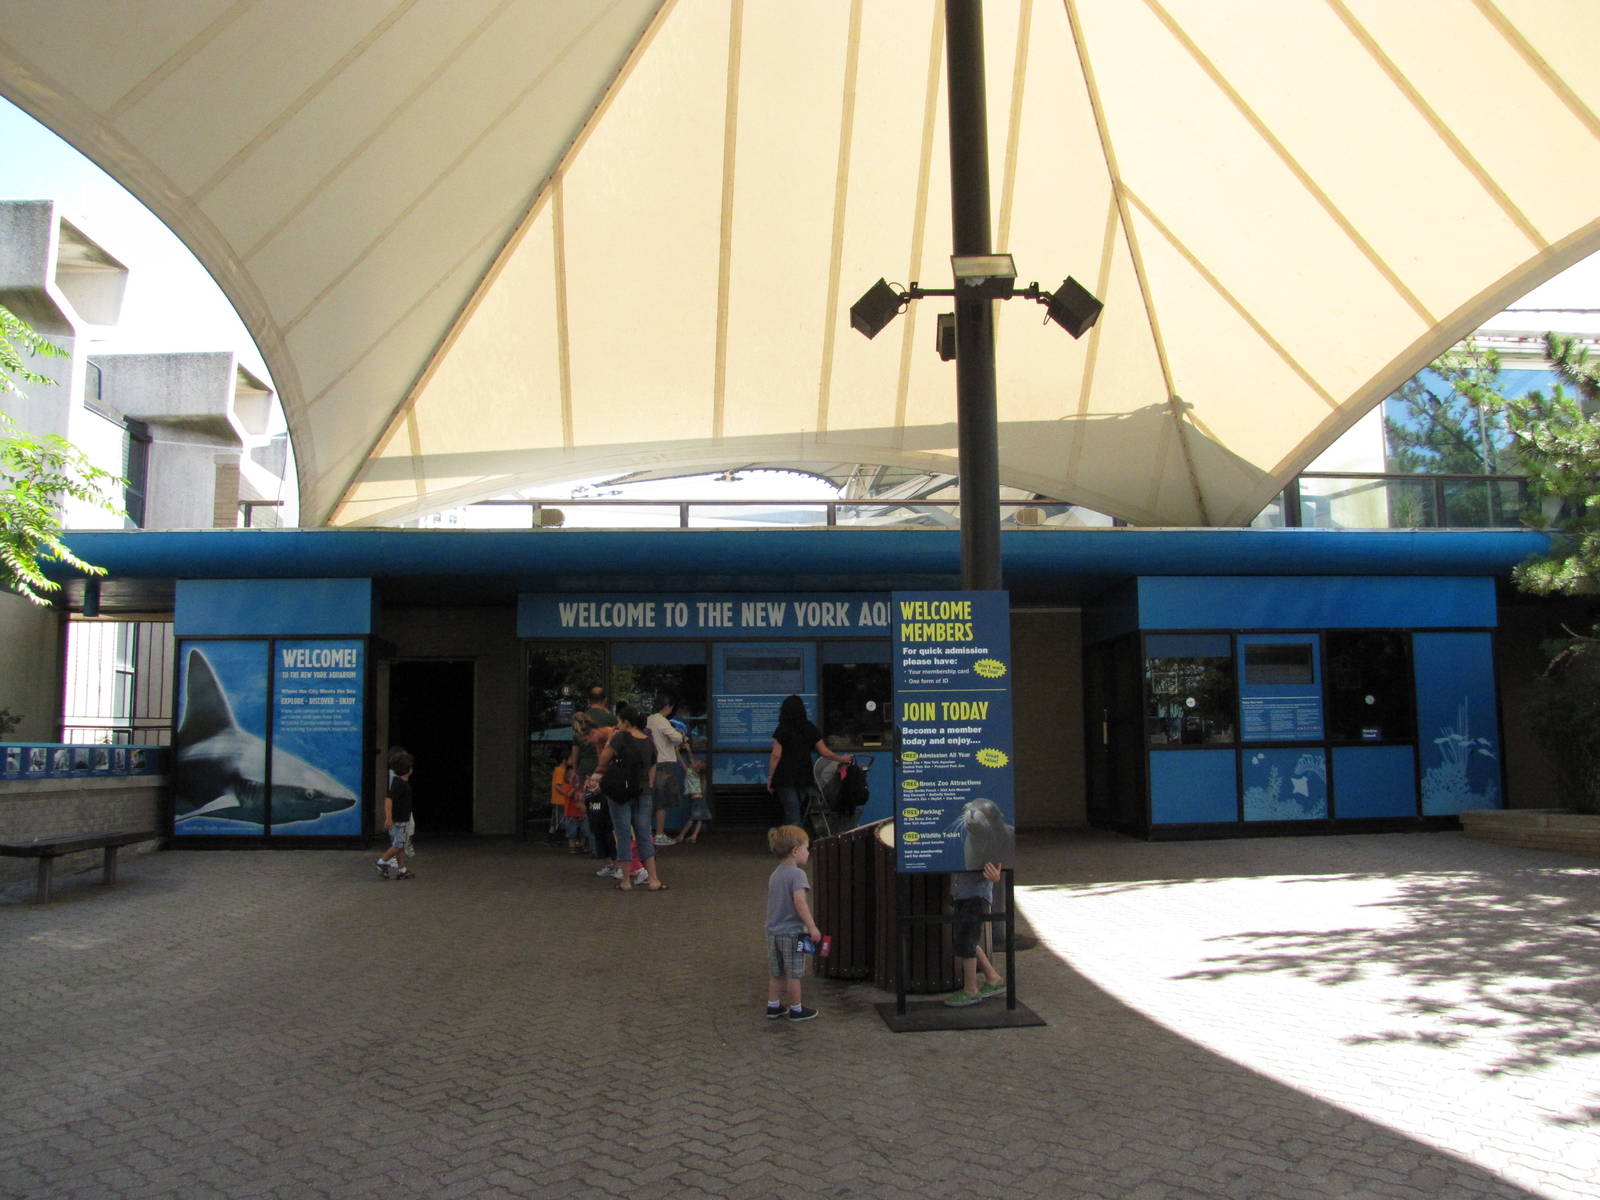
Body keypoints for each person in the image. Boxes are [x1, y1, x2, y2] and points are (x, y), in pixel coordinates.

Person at [592, 703, 667, 891]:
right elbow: (652, 770)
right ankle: (653, 879)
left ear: (626, 722)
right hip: (643, 792)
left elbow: (603, 760)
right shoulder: (649, 741)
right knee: (644, 834)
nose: (618, 725)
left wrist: (610, 740)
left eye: (619, 721)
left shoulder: (620, 738)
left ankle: (625, 880)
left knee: (623, 833)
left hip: (620, 792)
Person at [764, 824, 823, 1021]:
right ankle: (796, 1009)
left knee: (776, 972)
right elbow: (800, 902)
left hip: (773, 931)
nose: (808, 852)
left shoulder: (775, 874)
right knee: (794, 973)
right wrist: (812, 926)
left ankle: (773, 1006)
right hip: (792, 932)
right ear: (795, 851)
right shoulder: (798, 875)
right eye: (807, 848)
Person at [767, 694, 852, 827]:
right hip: (804, 775)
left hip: (785, 776)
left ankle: (792, 838)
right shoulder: (809, 728)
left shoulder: (782, 729)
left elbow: (776, 755)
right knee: (797, 810)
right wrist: (842, 758)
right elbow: (824, 751)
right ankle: (792, 836)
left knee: (792, 812)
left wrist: (771, 777)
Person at [568, 688, 619, 879]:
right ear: (604, 700)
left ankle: (615, 861)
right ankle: (610, 860)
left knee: (602, 819)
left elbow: (600, 760)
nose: (587, 742)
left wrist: (577, 773)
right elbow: (602, 762)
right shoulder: (609, 720)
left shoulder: (608, 733)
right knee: (600, 819)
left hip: (600, 777)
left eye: (587, 739)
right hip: (599, 777)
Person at [943, 861, 1006, 1006]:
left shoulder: (984, 846)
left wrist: (996, 875)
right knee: (966, 939)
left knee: (967, 941)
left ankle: (971, 989)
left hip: (975, 896)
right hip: (962, 894)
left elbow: (997, 858)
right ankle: (993, 978)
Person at [645, 694, 686, 847]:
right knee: (662, 802)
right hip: (664, 764)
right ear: (668, 706)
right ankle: (659, 834)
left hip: (652, 764)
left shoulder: (649, 719)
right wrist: (681, 734)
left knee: (650, 801)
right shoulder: (662, 721)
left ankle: (646, 833)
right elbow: (676, 738)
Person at [374, 751, 415, 880]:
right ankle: (382, 861)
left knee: (400, 845)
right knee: (398, 845)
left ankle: (402, 870)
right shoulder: (399, 784)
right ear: (408, 769)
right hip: (399, 821)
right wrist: (389, 818)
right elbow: (389, 799)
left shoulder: (398, 782)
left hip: (400, 819)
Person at [675, 752, 710, 843]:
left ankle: (681, 835)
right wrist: (688, 748)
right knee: (699, 819)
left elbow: (682, 762)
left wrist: (677, 752)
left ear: (697, 767)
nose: (692, 762)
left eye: (695, 762)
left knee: (692, 819)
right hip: (701, 799)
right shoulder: (697, 774)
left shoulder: (690, 772)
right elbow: (691, 758)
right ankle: (694, 836)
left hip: (697, 800)